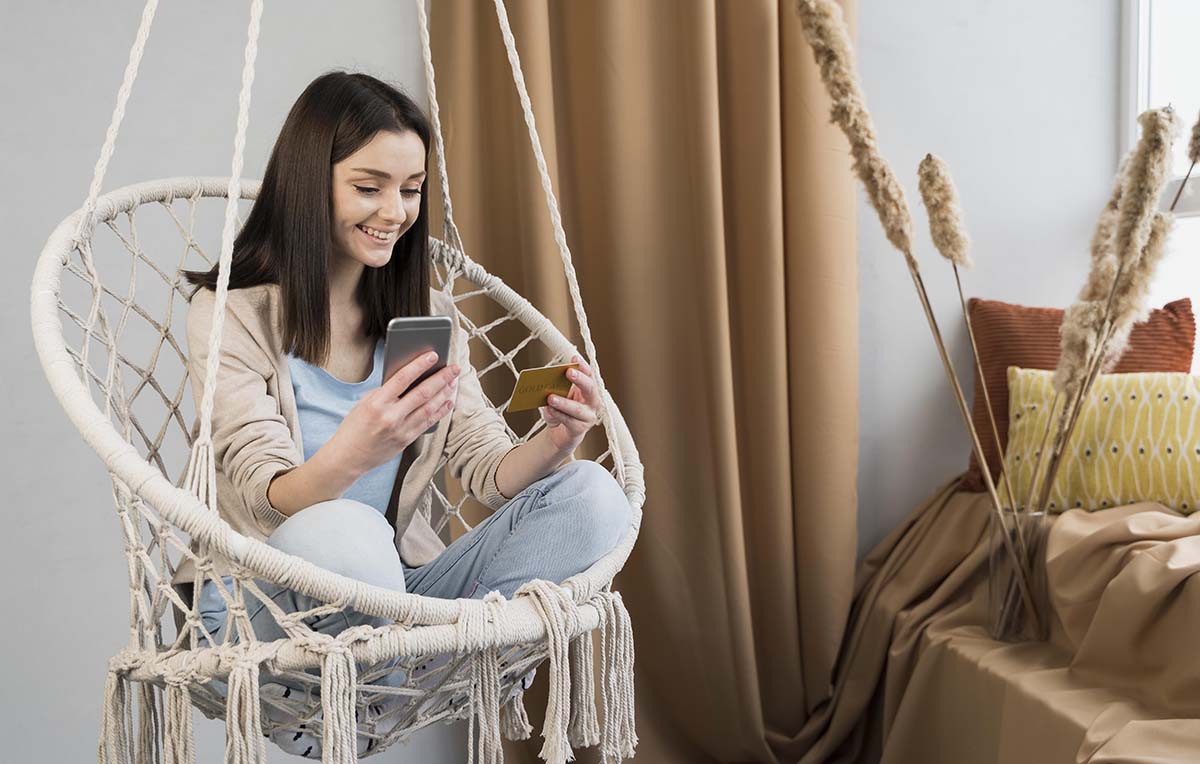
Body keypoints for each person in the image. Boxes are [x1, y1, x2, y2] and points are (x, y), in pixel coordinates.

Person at [172, 71, 631, 756]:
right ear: (308, 183)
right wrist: (357, 450)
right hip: (260, 601)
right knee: (344, 529)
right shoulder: (233, 315)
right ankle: (401, 678)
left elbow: (483, 468)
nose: (395, 210)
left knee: (594, 494)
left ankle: (402, 679)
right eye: (368, 187)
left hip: (393, 601)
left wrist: (556, 441)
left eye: (411, 189)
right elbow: (257, 496)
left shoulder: (427, 321)